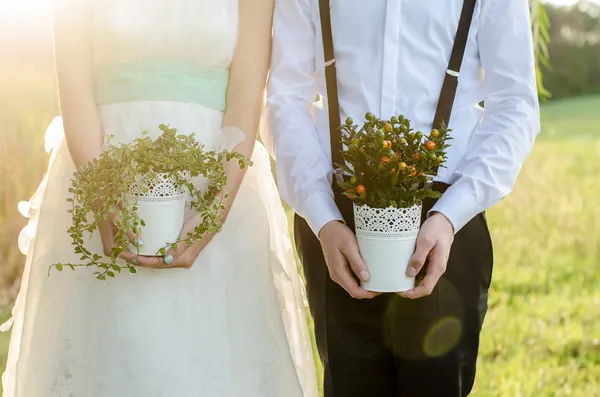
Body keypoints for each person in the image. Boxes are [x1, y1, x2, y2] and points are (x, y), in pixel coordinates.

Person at [1, 0, 318, 396]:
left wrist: (210, 219)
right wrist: (103, 200)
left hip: (216, 186)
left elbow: (245, 96)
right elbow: (75, 89)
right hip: (101, 172)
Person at [264, 0, 540, 396]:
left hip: (447, 221)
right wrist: (322, 217)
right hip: (335, 221)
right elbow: (284, 98)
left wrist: (450, 214)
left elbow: (516, 104)